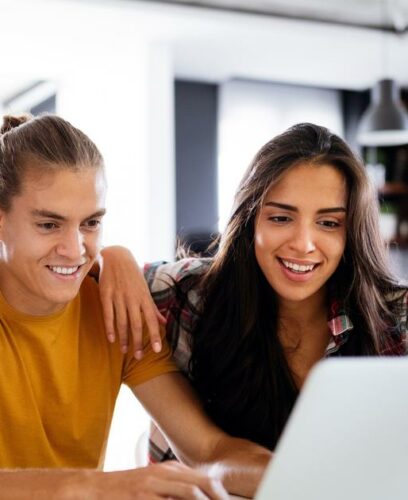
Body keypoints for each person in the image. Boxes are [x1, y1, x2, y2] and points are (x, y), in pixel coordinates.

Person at [0, 114, 272, 499]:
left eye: (91, 223)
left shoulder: (113, 307)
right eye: (49, 224)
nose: (74, 249)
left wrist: (307, 477)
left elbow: (209, 450)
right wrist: (93, 488)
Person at [138, 123, 407, 462]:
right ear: (250, 220)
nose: (303, 244)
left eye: (328, 223)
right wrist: (113, 258)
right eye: (280, 218)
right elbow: (85, 273)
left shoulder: (397, 319)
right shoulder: (189, 294)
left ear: (352, 233)